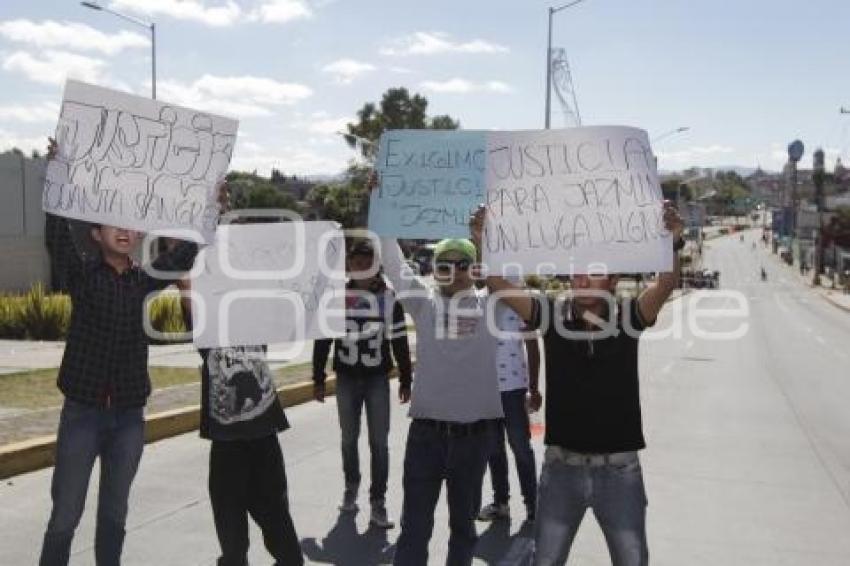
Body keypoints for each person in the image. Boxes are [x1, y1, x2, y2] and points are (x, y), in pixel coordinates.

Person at [476, 201, 685, 566]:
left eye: (595, 272)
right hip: (561, 472)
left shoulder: (629, 317)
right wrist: (482, 240)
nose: (582, 279)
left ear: (613, 280)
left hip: (620, 473)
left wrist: (674, 241)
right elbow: (496, 283)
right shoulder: (551, 315)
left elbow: (667, 281)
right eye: (576, 273)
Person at [39, 139, 202, 566]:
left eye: (132, 223)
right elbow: (56, 236)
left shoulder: (144, 281)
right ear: (96, 234)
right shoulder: (81, 275)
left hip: (129, 417)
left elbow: (186, 250)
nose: (126, 229)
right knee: (65, 516)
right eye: (115, 223)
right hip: (82, 414)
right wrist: (57, 173)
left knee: (114, 515)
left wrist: (211, 206)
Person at [378, 233, 504, 566]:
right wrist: (381, 211)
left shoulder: (492, 304)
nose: (454, 270)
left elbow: (505, 267)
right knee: (414, 529)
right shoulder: (423, 304)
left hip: (473, 440)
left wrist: (484, 234)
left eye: (462, 263)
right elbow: (393, 264)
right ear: (435, 271)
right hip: (426, 438)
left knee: (463, 530)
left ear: (474, 268)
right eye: (444, 264)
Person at [177, 279, 304, 566]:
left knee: (278, 521)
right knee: (230, 529)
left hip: (263, 439)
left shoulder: (256, 328)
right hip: (226, 444)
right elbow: (188, 296)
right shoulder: (207, 337)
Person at [312, 239, 413, 529]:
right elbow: (322, 340)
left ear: (376, 264)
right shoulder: (336, 297)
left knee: (379, 442)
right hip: (345, 377)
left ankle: (378, 500)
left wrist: (406, 377)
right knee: (348, 438)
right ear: (348, 265)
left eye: (366, 262)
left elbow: (399, 341)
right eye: (355, 263)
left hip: (377, 379)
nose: (361, 268)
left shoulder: (389, 298)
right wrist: (318, 378)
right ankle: (351, 486)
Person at [476, 285, 542, 524]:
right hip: (485, 390)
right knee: (493, 449)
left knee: (521, 449)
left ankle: (533, 504)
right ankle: (501, 503)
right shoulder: (476, 301)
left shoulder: (520, 300)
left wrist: (533, 388)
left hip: (514, 390)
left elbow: (532, 347)